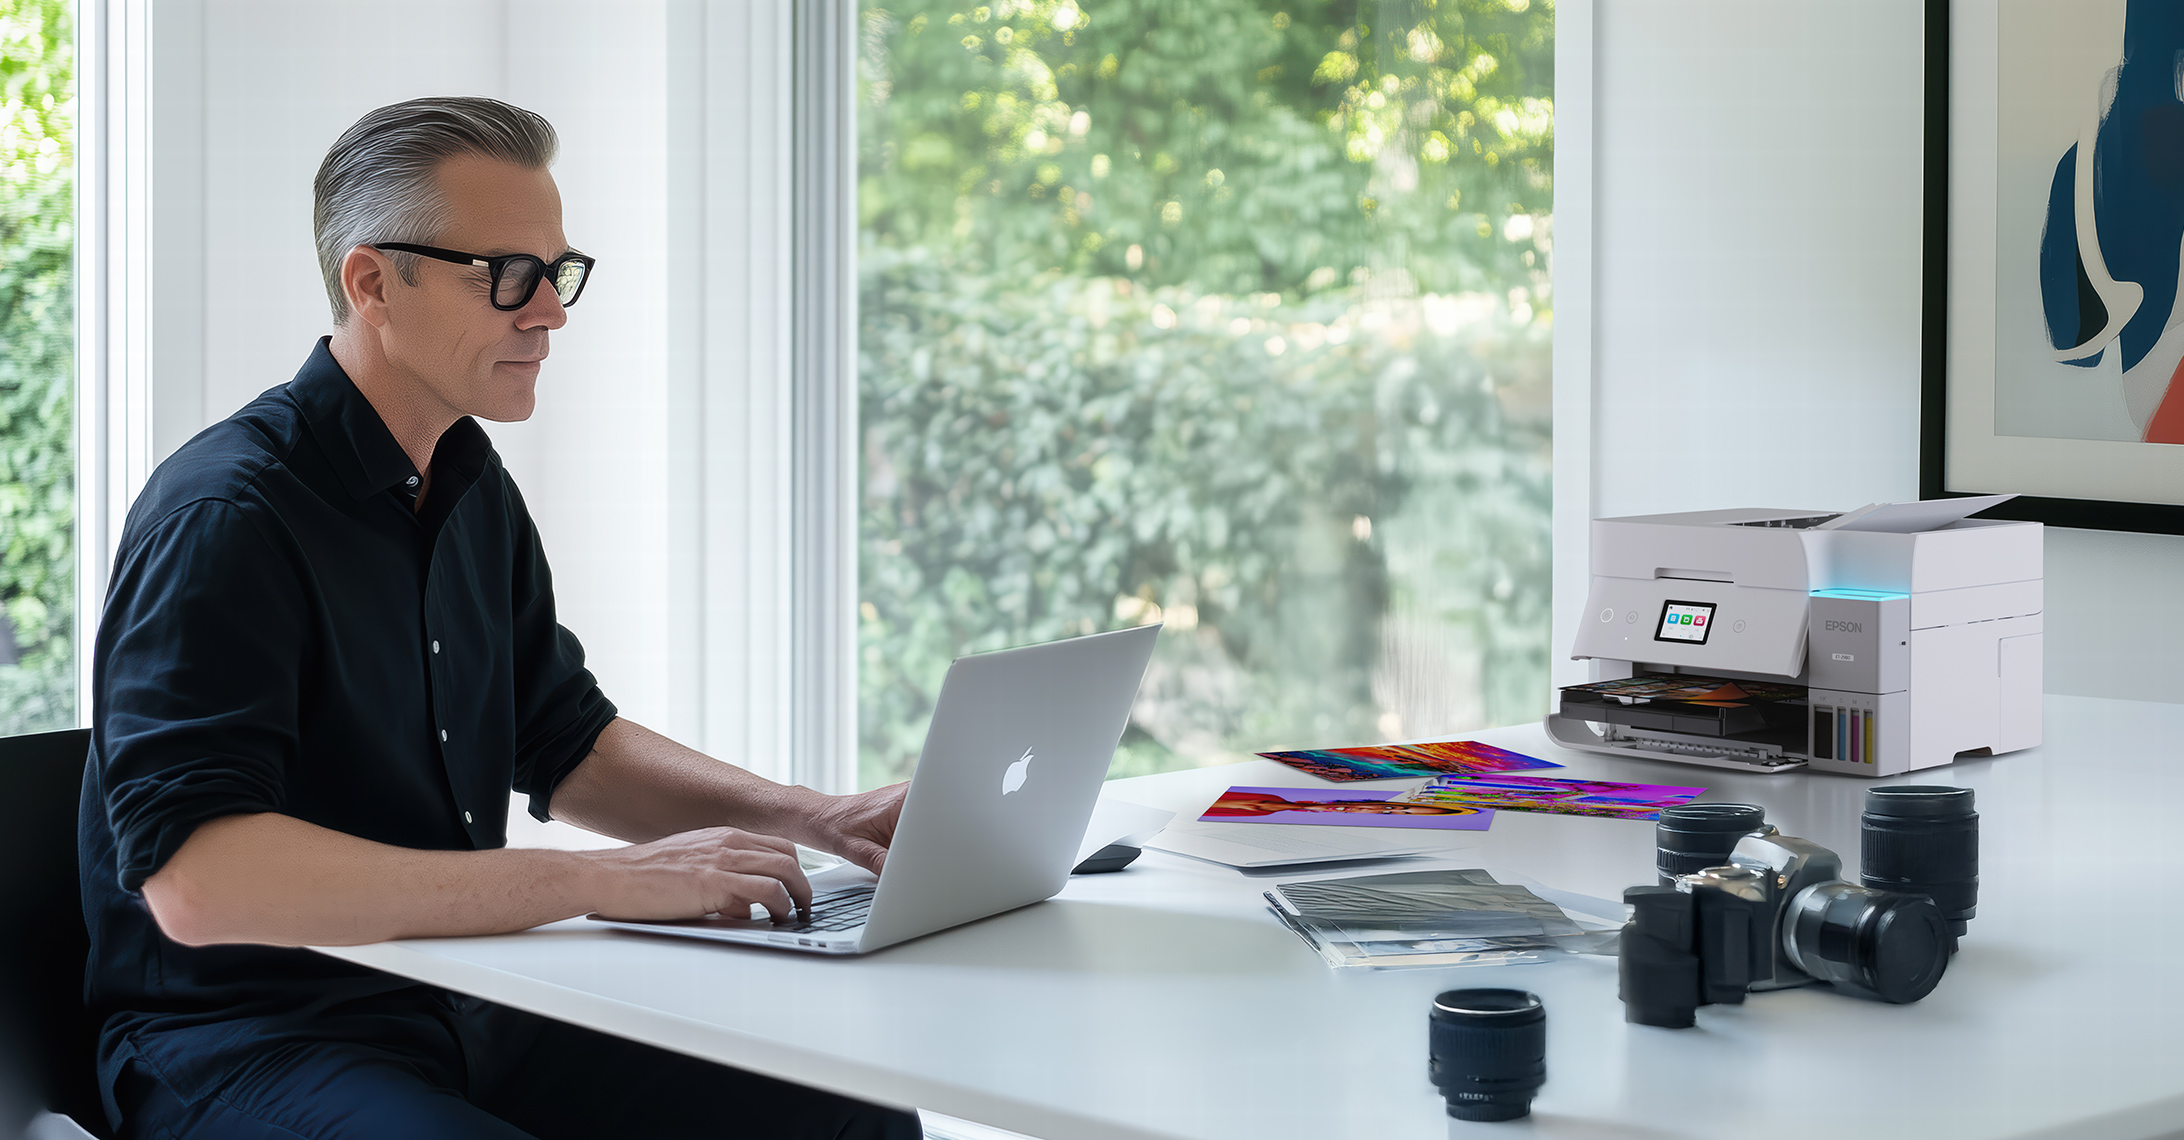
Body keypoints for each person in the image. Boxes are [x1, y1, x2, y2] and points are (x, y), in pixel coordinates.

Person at [77, 96, 920, 1139]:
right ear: (374, 282)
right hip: (246, 1043)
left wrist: (812, 817)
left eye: (559, 273)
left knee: (844, 1113)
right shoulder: (226, 517)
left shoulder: (471, 487)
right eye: (510, 276)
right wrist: (594, 883)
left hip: (467, 1003)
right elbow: (200, 887)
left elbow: (565, 746)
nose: (552, 314)